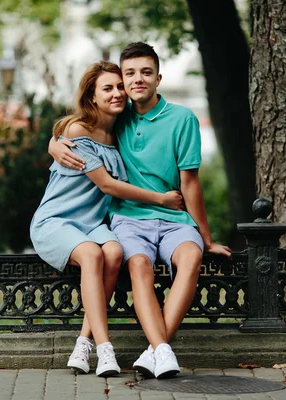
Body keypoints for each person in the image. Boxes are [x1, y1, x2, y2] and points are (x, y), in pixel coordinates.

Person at [49, 43, 232, 379]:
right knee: (138, 264)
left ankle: (155, 350)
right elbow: (78, 128)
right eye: (128, 74)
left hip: (176, 219)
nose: (135, 81)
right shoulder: (117, 117)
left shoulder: (183, 119)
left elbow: (190, 183)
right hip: (129, 219)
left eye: (145, 72)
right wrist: (55, 142)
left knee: (192, 257)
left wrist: (206, 237)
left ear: (158, 78)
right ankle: (163, 350)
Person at [30, 61, 185, 378]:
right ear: (92, 96)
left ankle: (83, 343)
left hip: (92, 223)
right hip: (57, 221)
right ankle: (105, 350)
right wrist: (162, 199)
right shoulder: (77, 130)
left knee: (113, 252)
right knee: (91, 253)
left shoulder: (121, 130)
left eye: (119, 87)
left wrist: (52, 142)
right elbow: (108, 185)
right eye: (107, 88)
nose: (117, 93)